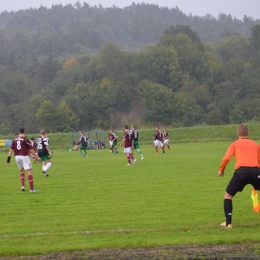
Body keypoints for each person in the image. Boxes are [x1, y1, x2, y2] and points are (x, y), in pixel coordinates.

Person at [218, 124, 260, 229]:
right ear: (248, 134)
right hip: (256, 171)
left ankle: (228, 224)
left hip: (241, 172)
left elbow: (226, 158)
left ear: (238, 134)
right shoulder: (256, 145)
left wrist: (221, 170)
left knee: (228, 196)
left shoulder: (234, 144)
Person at [6, 127, 40, 192]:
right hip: (24, 156)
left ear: (18, 131)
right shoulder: (26, 139)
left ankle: (23, 186)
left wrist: (8, 160)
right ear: (24, 131)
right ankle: (32, 189)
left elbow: (11, 150)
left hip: (17, 156)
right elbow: (31, 149)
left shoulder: (15, 139)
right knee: (29, 171)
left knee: (21, 171)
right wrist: (36, 156)